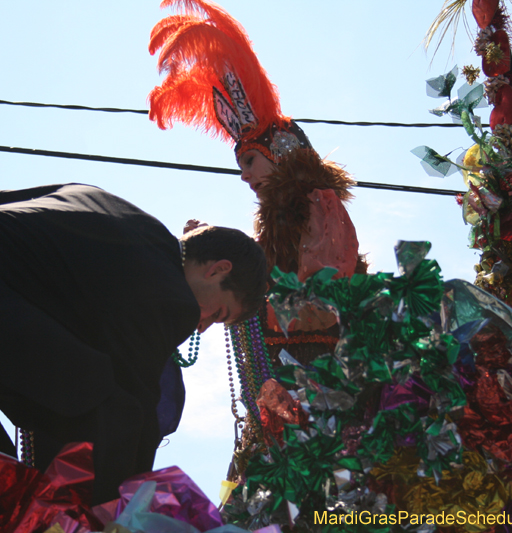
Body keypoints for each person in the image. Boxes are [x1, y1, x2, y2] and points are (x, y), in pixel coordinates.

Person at [0, 182, 268, 504]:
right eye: (218, 313)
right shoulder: (169, 292)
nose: (203, 326)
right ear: (216, 269)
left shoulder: (99, 201)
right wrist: (121, 508)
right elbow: (130, 403)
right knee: (101, 410)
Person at [148, 0, 366, 480]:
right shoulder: (277, 226)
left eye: (249, 161)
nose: (244, 177)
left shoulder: (319, 206)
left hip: (321, 387)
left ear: (282, 150)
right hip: (286, 391)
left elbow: (325, 295)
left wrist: (241, 286)